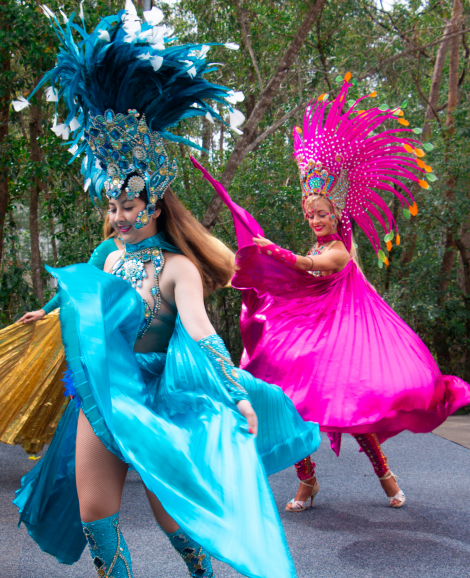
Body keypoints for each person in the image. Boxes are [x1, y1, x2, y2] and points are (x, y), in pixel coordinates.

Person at [12, 5, 320, 578]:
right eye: (112, 205)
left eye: (128, 205)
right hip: (104, 391)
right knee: (96, 518)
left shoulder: (178, 267)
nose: (118, 215)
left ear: (152, 204)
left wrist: (235, 394)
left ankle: (198, 571)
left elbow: (201, 333)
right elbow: (87, 298)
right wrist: (48, 309)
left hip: (158, 400)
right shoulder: (108, 254)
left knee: (174, 519)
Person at [191, 73, 470, 512]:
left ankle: (385, 474)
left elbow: (309, 267)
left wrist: (272, 251)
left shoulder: (339, 250)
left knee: (354, 412)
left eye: (321, 214)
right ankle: (307, 481)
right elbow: (300, 283)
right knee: (290, 404)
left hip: (343, 340)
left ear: (335, 212)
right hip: (312, 336)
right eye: (310, 214)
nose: (315, 220)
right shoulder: (319, 242)